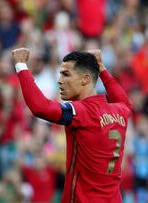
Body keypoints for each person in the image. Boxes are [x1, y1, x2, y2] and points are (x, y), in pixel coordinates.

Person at [12, 47, 132, 202]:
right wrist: (101, 67)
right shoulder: (120, 110)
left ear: (86, 79)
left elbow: (40, 107)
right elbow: (125, 101)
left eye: (66, 74)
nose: (59, 80)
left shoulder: (82, 112)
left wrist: (21, 65)